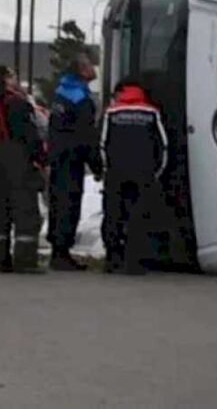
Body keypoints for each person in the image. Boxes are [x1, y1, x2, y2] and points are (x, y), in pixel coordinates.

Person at [0, 65, 46, 274]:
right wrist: (40, 160)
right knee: (25, 214)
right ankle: (25, 260)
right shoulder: (21, 105)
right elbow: (31, 136)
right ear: (6, 80)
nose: (16, 79)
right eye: (13, 76)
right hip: (18, 165)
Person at [100, 78, 168, 275]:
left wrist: (106, 168)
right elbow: (163, 145)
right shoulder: (151, 112)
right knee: (139, 216)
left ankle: (113, 259)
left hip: (116, 172)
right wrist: (156, 171)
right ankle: (134, 261)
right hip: (144, 172)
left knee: (113, 214)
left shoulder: (111, 112)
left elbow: (103, 143)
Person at [46, 52, 101, 271]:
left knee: (57, 203)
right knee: (69, 204)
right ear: (81, 71)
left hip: (58, 155)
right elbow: (86, 135)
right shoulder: (81, 99)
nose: (93, 68)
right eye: (88, 65)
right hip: (72, 158)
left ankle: (57, 250)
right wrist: (96, 164)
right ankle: (62, 252)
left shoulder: (61, 93)